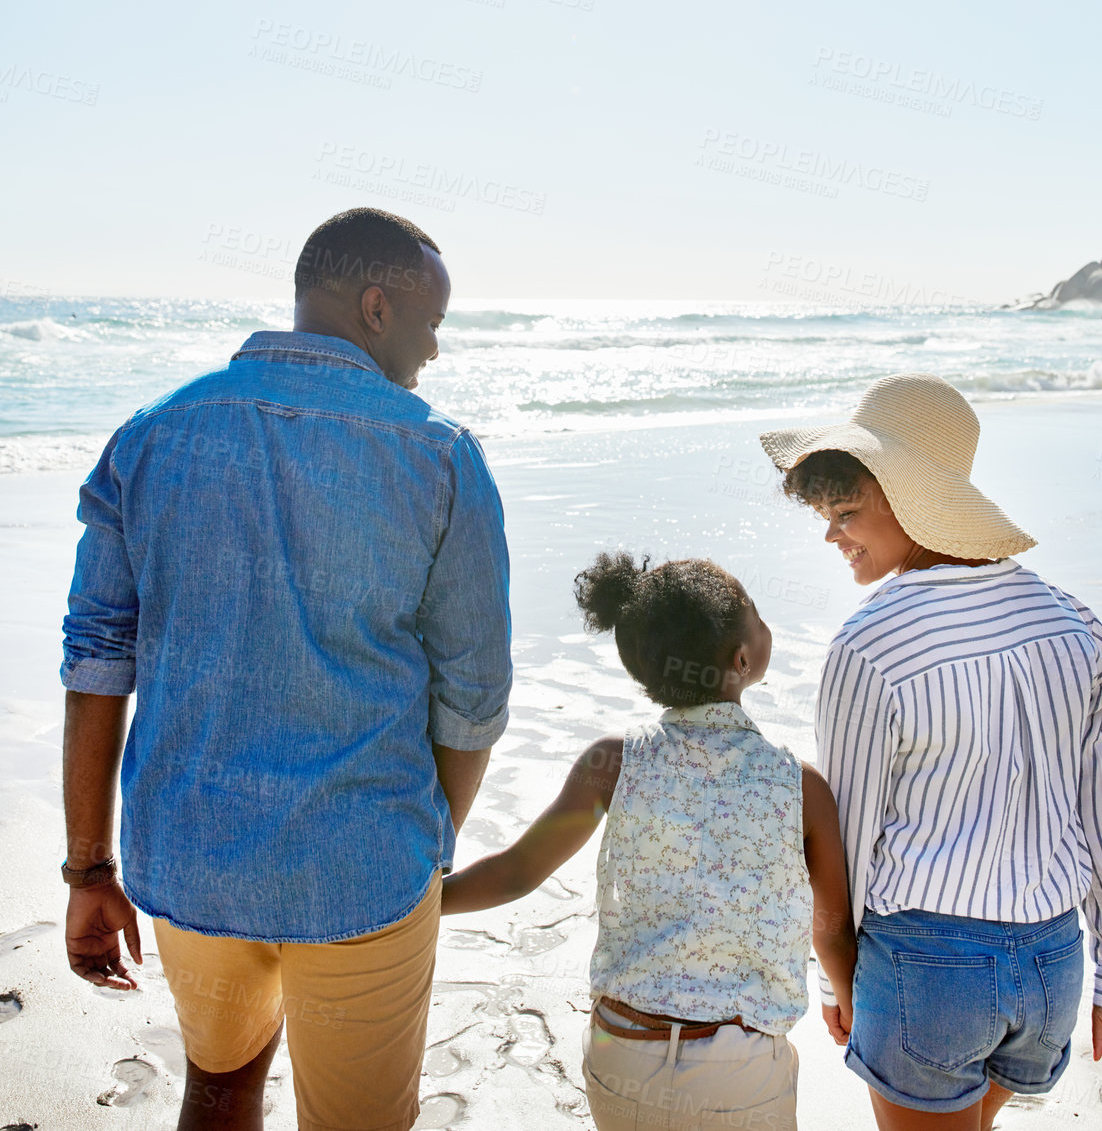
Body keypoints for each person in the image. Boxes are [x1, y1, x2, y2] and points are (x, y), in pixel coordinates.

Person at [60, 207, 512, 1131]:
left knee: (219, 1092)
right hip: (367, 870)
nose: (434, 351)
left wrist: (88, 868)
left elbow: (96, 662)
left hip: (190, 860)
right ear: (378, 307)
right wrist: (428, 844)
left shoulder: (149, 435)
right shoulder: (439, 454)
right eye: (431, 324)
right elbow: (475, 694)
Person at [760, 372, 1102, 1131]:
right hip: (1052, 967)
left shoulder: (870, 645)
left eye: (847, 512)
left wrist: (842, 987)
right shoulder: (1076, 624)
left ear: (913, 501)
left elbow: (847, 854)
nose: (831, 535)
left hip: (928, 971)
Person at [441, 550, 857, 1131]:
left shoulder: (613, 762)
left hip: (622, 1049)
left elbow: (517, 871)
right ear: (743, 658)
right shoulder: (799, 784)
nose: (767, 627)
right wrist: (845, 998)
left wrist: (422, 901)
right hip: (737, 1068)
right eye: (758, 617)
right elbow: (832, 925)